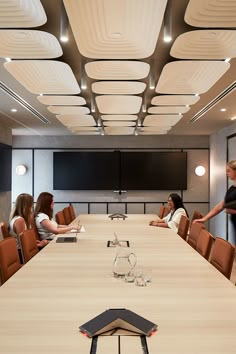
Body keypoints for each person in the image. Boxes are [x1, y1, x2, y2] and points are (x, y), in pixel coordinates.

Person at [194, 160, 236, 237]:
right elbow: (221, 205)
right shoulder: (232, 188)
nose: (227, 173)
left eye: (228, 171)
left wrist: (233, 210)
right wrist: (205, 218)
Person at [9, 193, 48, 263]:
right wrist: (40, 244)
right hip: (21, 253)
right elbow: (23, 244)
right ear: (27, 206)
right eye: (31, 203)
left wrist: (36, 242)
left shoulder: (21, 218)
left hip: (24, 250)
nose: (33, 206)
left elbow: (26, 240)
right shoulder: (19, 221)